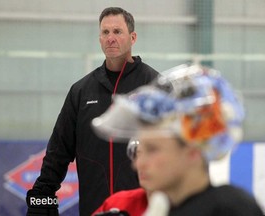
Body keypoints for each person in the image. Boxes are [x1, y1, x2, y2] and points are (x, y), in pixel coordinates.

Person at [26, 7, 159, 216]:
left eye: (117, 31)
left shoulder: (154, 86)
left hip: (145, 210)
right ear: (99, 39)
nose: (111, 38)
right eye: (105, 32)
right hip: (95, 209)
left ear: (132, 37)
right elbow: (58, 151)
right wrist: (42, 197)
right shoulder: (81, 91)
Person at [91, 64, 264, 216]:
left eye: (152, 149)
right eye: (138, 152)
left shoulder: (230, 208)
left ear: (193, 152)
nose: (137, 165)